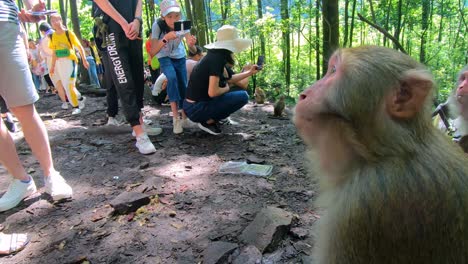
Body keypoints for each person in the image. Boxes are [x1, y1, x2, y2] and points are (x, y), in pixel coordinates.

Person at [0, 0, 73, 211]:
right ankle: (21, 180)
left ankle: (51, 174)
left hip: (4, 24)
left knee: (23, 106)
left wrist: (32, 6)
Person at [94, 0, 162, 154]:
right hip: (110, 28)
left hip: (134, 27)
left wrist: (137, 20)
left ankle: (140, 122)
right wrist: (124, 24)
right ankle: (139, 133)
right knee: (123, 79)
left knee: (138, 77)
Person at [183, 25, 259, 135]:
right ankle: (208, 121)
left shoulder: (214, 55)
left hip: (193, 105)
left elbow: (230, 78)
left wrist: (249, 72)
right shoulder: (216, 59)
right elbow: (213, 92)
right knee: (243, 96)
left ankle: (213, 118)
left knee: (237, 92)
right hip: (196, 108)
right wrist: (226, 88)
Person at [150, 0, 197, 134]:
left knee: (183, 84)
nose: (173, 19)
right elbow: (152, 51)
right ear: (163, 16)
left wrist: (192, 43)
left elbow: (191, 48)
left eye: (176, 16)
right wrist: (165, 38)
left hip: (179, 55)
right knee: (172, 78)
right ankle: (175, 118)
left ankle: (184, 118)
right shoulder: (157, 26)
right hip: (163, 56)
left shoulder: (183, 25)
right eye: (169, 16)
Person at [49, 13, 89, 115]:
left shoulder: (68, 33)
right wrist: (52, 66)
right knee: (67, 86)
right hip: (60, 63)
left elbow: (79, 47)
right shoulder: (52, 36)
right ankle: (80, 98)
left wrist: (84, 60)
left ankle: (76, 106)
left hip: (70, 61)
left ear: (60, 20)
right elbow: (54, 52)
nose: (54, 23)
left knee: (70, 84)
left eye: (56, 20)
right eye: (52, 21)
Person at [38, 22, 67, 106]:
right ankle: (74, 99)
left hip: (51, 62)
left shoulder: (43, 40)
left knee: (57, 82)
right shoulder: (59, 34)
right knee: (66, 80)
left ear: (42, 31)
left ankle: (64, 103)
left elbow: (42, 56)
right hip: (63, 59)